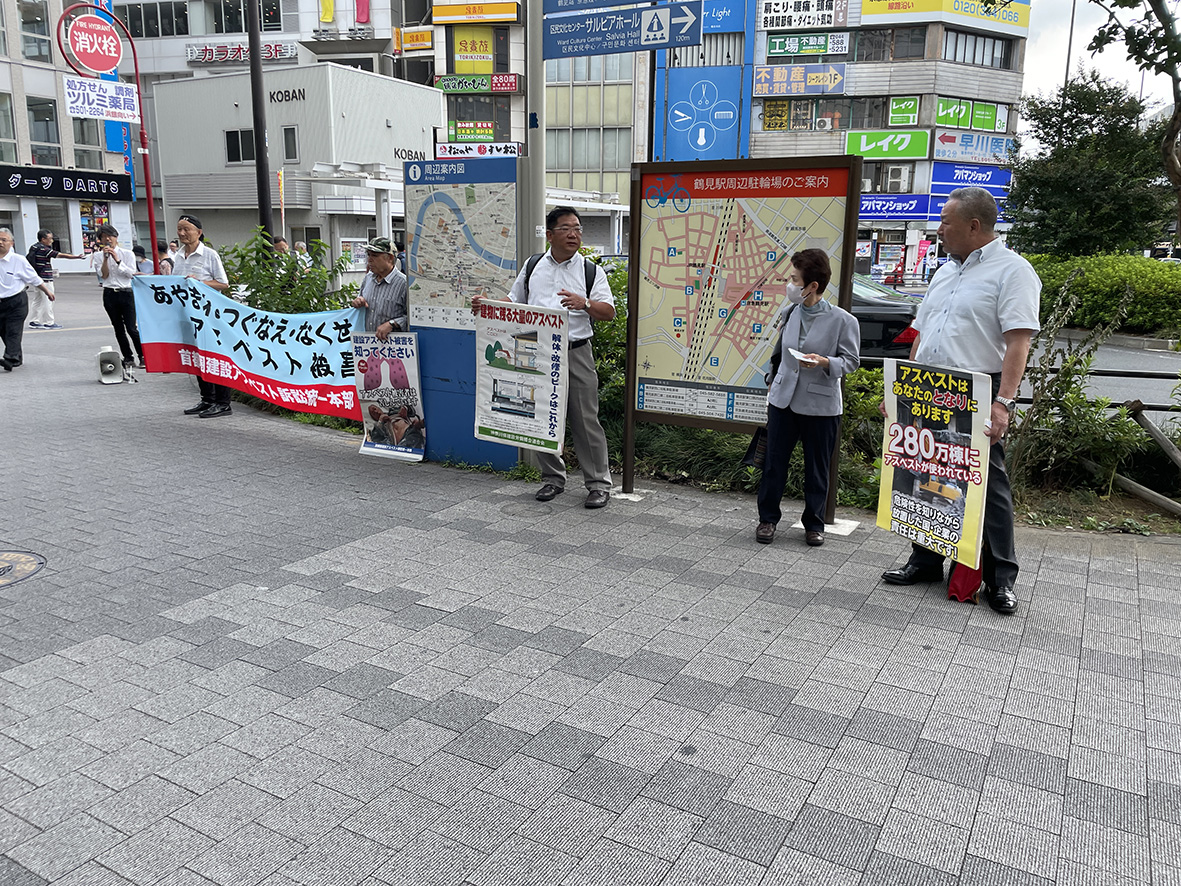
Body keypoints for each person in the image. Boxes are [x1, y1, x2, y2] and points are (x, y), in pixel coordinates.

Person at [880, 187, 1041, 616]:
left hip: (978, 388)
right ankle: (927, 560)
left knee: (988, 486)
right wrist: (902, 391)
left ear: (974, 225)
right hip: (928, 386)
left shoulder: (1014, 272)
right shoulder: (944, 272)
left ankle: (1000, 579)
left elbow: (1018, 343)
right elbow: (923, 333)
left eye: (945, 221)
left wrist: (1003, 401)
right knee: (925, 472)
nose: (939, 229)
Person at [471, 206, 615, 510]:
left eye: (577, 228)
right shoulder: (533, 265)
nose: (574, 234)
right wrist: (488, 306)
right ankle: (552, 478)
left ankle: (599, 484)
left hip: (575, 351)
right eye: (566, 228)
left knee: (586, 420)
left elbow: (608, 311)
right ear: (550, 234)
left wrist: (584, 302)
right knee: (536, 415)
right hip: (533, 351)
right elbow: (514, 302)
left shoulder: (590, 271)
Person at [755, 248, 860, 547]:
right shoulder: (789, 312)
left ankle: (814, 524)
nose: (789, 284)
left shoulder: (843, 321)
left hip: (821, 405)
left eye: (794, 279)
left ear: (812, 286)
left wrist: (825, 362)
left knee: (817, 467)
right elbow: (779, 354)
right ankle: (767, 519)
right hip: (783, 399)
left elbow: (851, 361)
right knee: (774, 463)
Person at [171, 214, 233, 418]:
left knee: (215, 357)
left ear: (199, 232)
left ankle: (223, 403)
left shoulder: (209, 255)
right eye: (179, 229)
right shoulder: (178, 256)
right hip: (187, 314)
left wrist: (199, 282)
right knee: (196, 357)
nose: (182, 233)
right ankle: (207, 399)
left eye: (186, 229)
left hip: (209, 315)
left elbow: (223, 283)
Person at [0, 229, 56, 372]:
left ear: (11, 243)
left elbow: (33, 278)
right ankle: (16, 357)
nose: (0, 242)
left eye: (4, 240)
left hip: (16, 301)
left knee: (13, 330)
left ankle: (10, 358)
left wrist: (47, 291)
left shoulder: (18, 260)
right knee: (4, 331)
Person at [93, 224, 145, 371]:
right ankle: (128, 357)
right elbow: (103, 275)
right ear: (101, 239)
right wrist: (105, 259)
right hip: (110, 293)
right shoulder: (98, 256)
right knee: (118, 328)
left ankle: (142, 355)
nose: (108, 239)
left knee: (131, 327)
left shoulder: (127, 253)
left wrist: (117, 260)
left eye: (110, 236)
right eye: (104, 237)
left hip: (126, 292)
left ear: (116, 237)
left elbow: (130, 274)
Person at [350, 237, 408, 341]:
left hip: (394, 349)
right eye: (369, 255)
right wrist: (358, 302)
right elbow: (360, 297)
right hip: (368, 347)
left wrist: (392, 324)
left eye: (375, 256)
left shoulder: (403, 283)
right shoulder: (368, 278)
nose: (369, 260)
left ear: (390, 258)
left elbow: (413, 317)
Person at [26, 229, 83, 329]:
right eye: (50, 238)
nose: (52, 241)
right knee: (49, 299)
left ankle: (34, 321)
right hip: (45, 278)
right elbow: (60, 255)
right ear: (43, 239)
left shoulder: (34, 247)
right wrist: (76, 257)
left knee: (38, 299)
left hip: (37, 277)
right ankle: (49, 322)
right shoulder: (44, 249)